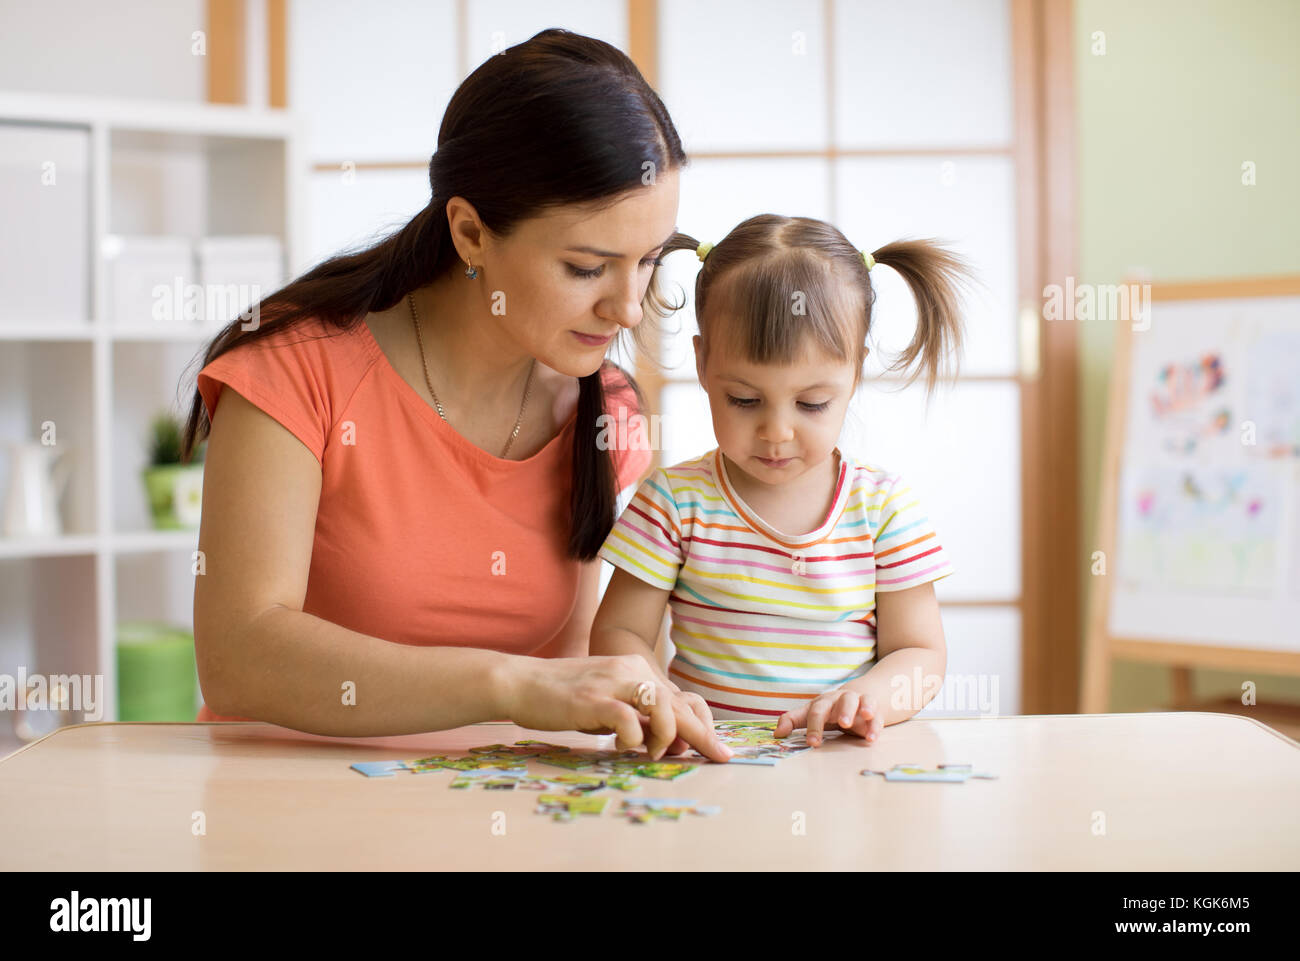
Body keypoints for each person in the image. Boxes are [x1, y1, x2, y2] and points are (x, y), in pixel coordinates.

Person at [183, 28, 731, 762]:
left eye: (648, 262)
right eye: (586, 267)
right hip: (291, 807)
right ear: (471, 232)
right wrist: (510, 684)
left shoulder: (605, 411)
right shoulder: (296, 368)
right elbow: (238, 653)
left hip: (498, 808)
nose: (629, 308)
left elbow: (578, 673)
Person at [590, 214, 972, 748]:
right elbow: (619, 634)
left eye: (812, 403)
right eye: (744, 400)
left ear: (855, 374)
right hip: (705, 765)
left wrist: (871, 699)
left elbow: (920, 654)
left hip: (840, 767)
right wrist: (658, 696)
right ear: (703, 364)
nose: (776, 432)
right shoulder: (674, 503)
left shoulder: (882, 507)